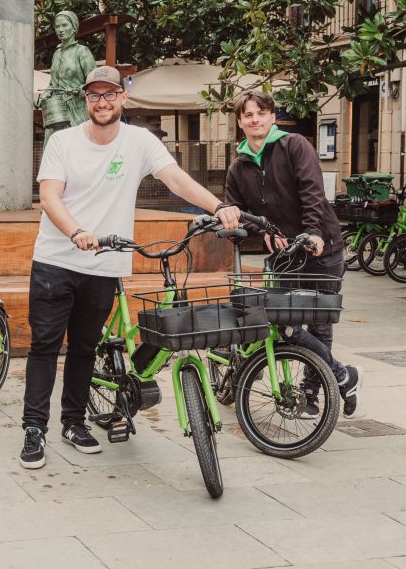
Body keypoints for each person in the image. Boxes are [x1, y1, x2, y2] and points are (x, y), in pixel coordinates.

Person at [19, 65, 243, 469]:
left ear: (123, 98)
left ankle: (73, 423)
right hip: (56, 259)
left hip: (104, 265)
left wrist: (218, 205)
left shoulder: (139, 141)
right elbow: (50, 198)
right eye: (94, 95)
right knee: (45, 346)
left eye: (109, 95)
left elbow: (175, 179)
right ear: (85, 100)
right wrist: (76, 233)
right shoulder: (62, 142)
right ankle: (34, 430)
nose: (102, 102)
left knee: (85, 347)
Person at [224, 89, 362, 417]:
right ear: (240, 121)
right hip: (284, 256)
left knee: (319, 323)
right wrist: (264, 232)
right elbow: (236, 210)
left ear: (272, 116)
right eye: (247, 114)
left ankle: (311, 394)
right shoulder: (238, 167)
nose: (254, 119)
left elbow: (312, 191)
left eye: (261, 112)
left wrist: (312, 232)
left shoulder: (294, 146)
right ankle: (343, 375)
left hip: (321, 247)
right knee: (283, 322)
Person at [36, 10, 97, 138]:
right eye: (57, 27)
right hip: (56, 110)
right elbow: (53, 84)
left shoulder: (82, 52)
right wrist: (45, 95)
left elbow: (94, 83)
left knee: (76, 147)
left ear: (74, 27)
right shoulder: (57, 53)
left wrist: (79, 90)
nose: (60, 30)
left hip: (76, 110)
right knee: (52, 147)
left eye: (64, 25)